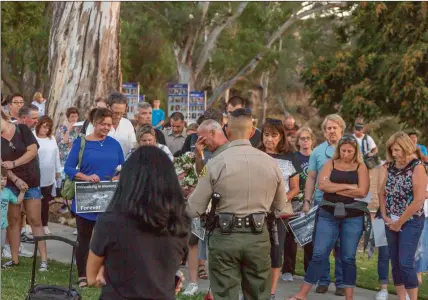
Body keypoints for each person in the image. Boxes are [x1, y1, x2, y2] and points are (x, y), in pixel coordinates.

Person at [186, 108, 288, 300]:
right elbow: (281, 206)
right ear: (252, 131)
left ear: (227, 131)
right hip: (258, 236)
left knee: (225, 294)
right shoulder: (271, 163)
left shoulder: (216, 163)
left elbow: (194, 209)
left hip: (224, 237)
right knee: (258, 294)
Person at [86, 146, 189, 299]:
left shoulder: (110, 222)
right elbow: (173, 264)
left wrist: (106, 270)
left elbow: (91, 277)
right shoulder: (179, 221)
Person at [288, 134, 370, 300]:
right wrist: (348, 186)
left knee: (348, 257)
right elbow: (322, 185)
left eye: (350, 151)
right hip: (328, 213)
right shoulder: (330, 163)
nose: (346, 154)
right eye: (343, 150)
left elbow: (363, 191)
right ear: (338, 149)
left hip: (353, 216)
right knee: (319, 253)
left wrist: (334, 188)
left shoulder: (361, 167)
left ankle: (349, 297)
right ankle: (302, 295)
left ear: (356, 152)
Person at [65, 108, 124, 287]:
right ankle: (83, 275)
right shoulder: (81, 142)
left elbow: (124, 166)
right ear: (94, 123)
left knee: (108, 237)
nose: (106, 127)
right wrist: (86, 177)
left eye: (109, 124)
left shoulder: (114, 144)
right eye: (103, 124)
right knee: (84, 237)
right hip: (86, 197)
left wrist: (118, 177)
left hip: (109, 198)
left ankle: (103, 273)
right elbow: (68, 168)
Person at [182, 119, 229, 297]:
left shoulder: (227, 150)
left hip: (220, 207)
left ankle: (218, 286)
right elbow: (201, 174)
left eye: (203, 137)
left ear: (213, 132)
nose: (201, 141)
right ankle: (193, 282)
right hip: (203, 204)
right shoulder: (204, 151)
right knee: (193, 240)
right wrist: (199, 154)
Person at [379, 131, 427, 300]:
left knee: (406, 262)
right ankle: (401, 298)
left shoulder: (417, 167)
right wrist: (385, 216)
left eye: (397, 150)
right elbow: (382, 192)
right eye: (392, 150)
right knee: (396, 262)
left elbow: (419, 199)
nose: (394, 153)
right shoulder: (390, 166)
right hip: (390, 219)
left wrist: (399, 222)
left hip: (411, 221)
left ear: (406, 148)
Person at [303, 114, 346, 295]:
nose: (331, 131)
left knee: (342, 246)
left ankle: (342, 283)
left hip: (346, 206)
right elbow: (311, 177)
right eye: (328, 128)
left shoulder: (351, 149)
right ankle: (323, 280)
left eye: (335, 127)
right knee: (322, 246)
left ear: (341, 129)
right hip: (323, 204)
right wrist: (306, 201)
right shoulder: (317, 152)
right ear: (324, 131)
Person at [258, 118, 300, 299]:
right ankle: (252, 290)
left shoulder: (291, 157)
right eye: (266, 135)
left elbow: (295, 188)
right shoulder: (255, 153)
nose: (269, 139)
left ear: (281, 136)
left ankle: (271, 293)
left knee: (276, 253)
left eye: (274, 135)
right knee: (255, 253)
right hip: (256, 211)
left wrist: (280, 200)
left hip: (279, 213)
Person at [1, 110, 48, 271]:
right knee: (13, 221)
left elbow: (33, 151)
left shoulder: (22, 129)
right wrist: (15, 179)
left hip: (32, 181)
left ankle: (44, 260)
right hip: (11, 183)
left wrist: (14, 164)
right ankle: (14, 259)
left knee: (35, 220)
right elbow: (1, 164)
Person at [282, 127, 316, 282]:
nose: (305, 141)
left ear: (312, 140)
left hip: (312, 201)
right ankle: (288, 270)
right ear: (298, 141)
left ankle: (310, 271)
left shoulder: (317, 156)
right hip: (295, 200)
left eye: (308, 138)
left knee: (309, 237)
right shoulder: (293, 157)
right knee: (290, 237)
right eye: (302, 138)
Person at [86, 92, 137, 157]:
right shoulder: (95, 124)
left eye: (122, 113)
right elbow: (89, 147)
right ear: (108, 107)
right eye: (115, 113)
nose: (118, 116)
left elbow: (133, 147)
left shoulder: (127, 124)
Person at [35, 116, 61, 235]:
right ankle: (31, 225)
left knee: (45, 202)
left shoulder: (52, 139)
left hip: (48, 175)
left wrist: (58, 170)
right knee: (33, 201)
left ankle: (44, 224)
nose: (46, 130)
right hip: (35, 174)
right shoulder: (33, 137)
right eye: (44, 126)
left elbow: (56, 155)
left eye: (48, 127)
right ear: (39, 125)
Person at [1, 167, 25, 258]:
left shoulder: (8, 192)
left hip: (3, 223)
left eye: (5, 179)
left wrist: (22, 192)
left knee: (2, 245)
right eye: (0, 179)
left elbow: (17, 201)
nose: (3, 181)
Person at [56, 107, 81, 173]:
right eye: (72, 116)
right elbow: (64, 141)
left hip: (74, 160)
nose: (74, 119)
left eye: (76, 116)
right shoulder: (62, 128)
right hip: (64, 160)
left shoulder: (78, 129)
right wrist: (69, 129)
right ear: (68, 118)